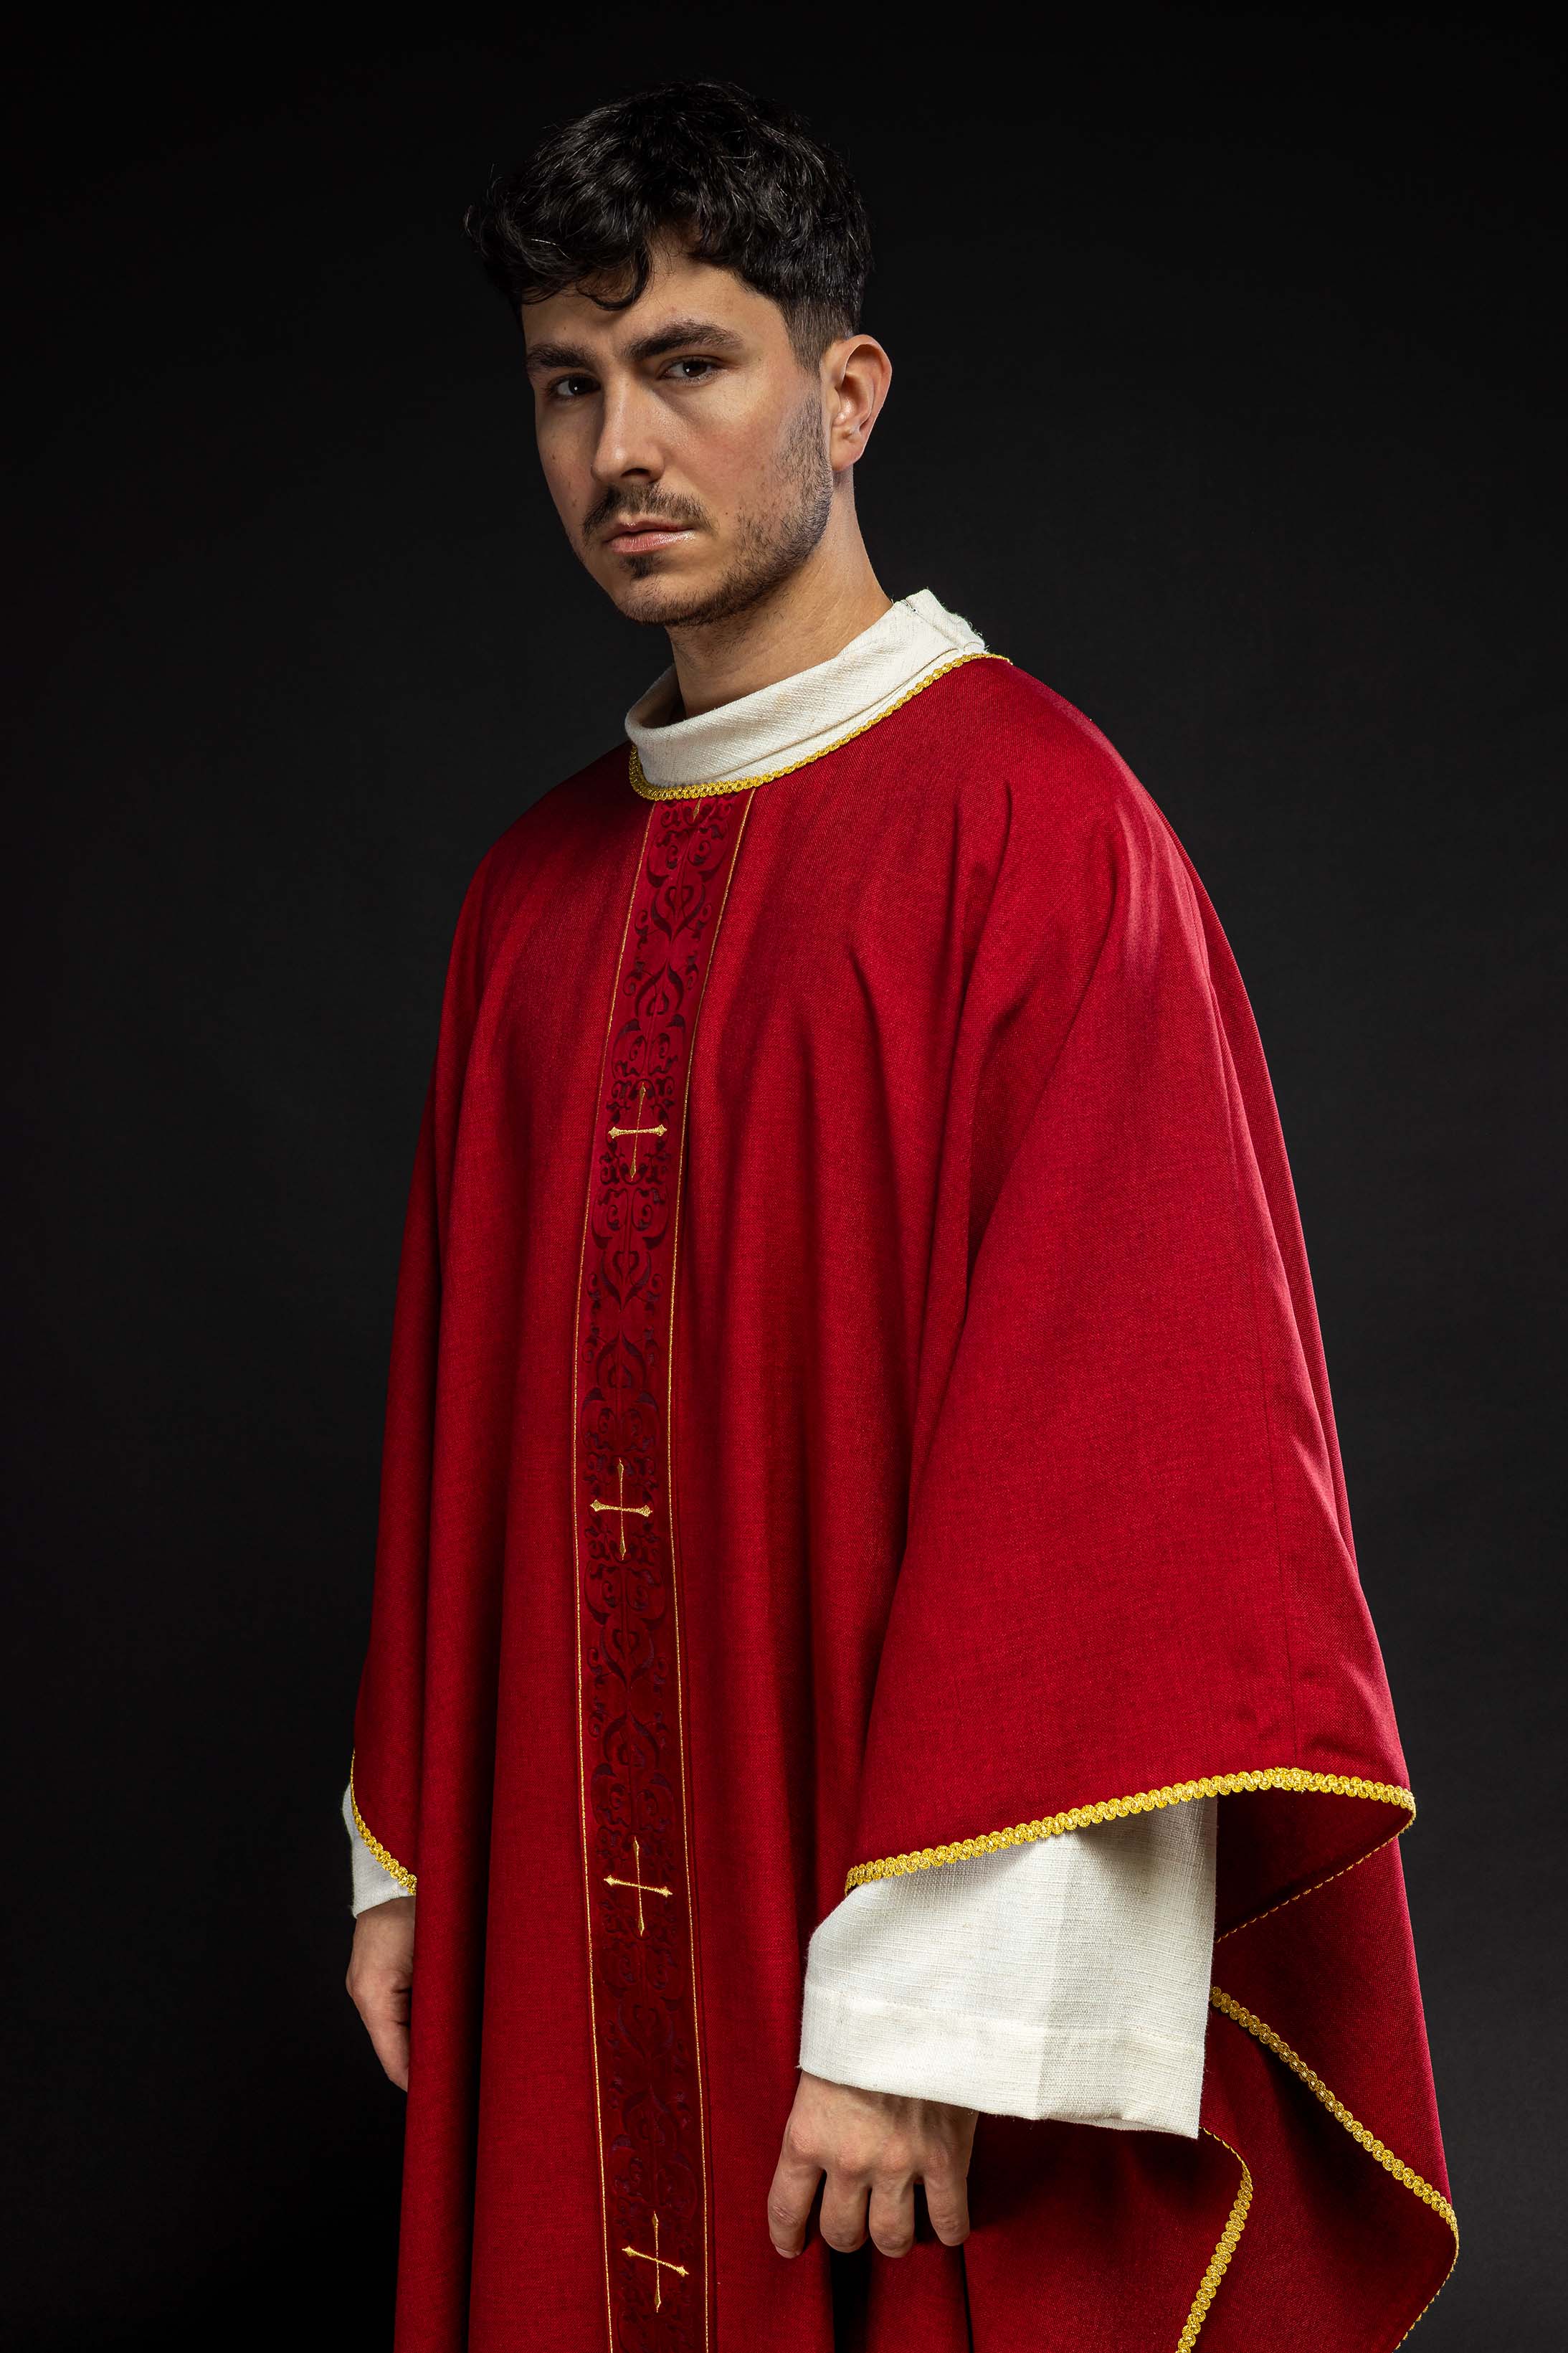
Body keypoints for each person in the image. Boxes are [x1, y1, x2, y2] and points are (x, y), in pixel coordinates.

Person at [342, 80, 1453, 2350]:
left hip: (869, 1963)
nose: (615, 452)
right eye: (566, 387)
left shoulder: (1035, 832)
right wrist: (415, 1852)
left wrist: (926, 2016)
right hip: (568, 1904)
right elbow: (461, 1431)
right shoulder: (525, 898)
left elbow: (1121, 1488)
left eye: (686, 365)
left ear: (843, 389)